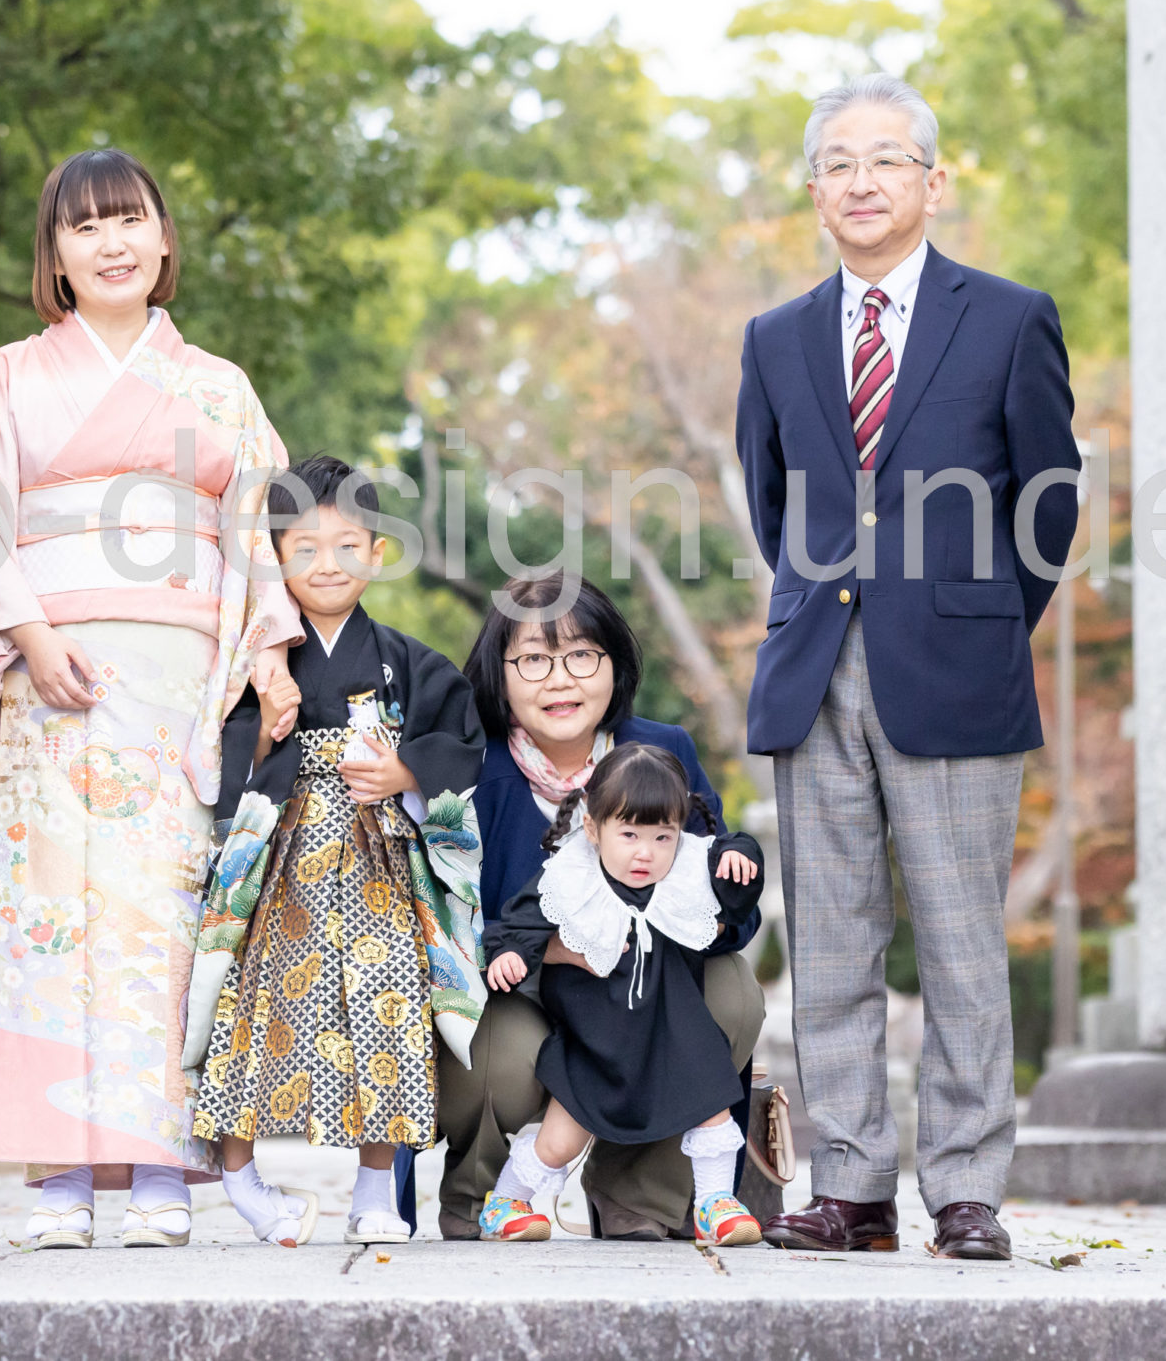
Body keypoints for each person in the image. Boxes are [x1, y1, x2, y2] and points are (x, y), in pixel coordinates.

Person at [735, 73, 1078, 1262]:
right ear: (814, 192)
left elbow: (1047, 504)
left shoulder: (1010, 318)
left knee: (961, 943)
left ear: (934, 183)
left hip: (958, 668)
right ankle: (849, 1188)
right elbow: (773, 504)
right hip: (814, 667)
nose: (861, 181)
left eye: (886, 159)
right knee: (829, 943)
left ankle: (967, 1190)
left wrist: (975, 619)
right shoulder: (775, 338)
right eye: (838, 163)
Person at [0, 148, 300, 1249]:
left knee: (163, 913)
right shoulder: (8, 375)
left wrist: (269, 656)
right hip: (50, 664)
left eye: (129, 219)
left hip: (177, 673)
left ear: (162, 239)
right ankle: (59, 1171)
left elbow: (258, 530)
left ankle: (158, 1164)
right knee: (49, 912)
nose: (110, 243)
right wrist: (28, 631)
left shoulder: (218, 385)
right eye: (84, 226)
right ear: (53, 254)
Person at [187, 455, 488, 1246]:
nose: (329, 564)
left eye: (348, 545)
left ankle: (374, 1189)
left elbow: (461, 735)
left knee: (388, 1003)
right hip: (282, 856)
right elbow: (224, 750)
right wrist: (265, 731)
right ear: (275, 557)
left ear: (378, 553)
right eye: (306, 547)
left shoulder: (405, 658)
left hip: (376, 856)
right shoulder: (264, 663)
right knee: (256, 1006)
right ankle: (241, 1177)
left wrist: (406, 770)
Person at [431, 573, 766, 1241]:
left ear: (615, 664)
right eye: (534, 659)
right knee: (500, 1052)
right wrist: (550, 951)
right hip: (520, 985)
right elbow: (442, 921)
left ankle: (639, 1194)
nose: (561, 679)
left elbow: (733, 908)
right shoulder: (469, 765)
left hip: (644, 981)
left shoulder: (663, 753)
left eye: (582, 655)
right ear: (500, 673)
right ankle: (485, 1197)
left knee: (729, 994)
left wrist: (707, 906)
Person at [475, 745, 766, 1246]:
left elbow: (732, 876)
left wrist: (740, 856)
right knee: (560, 1140)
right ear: (593, 828)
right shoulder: (572, 877)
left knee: (711, 1101)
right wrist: (511, 954)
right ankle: (505, 1203)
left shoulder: (687, 871)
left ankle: (715, 1203)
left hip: (674, 1032)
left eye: (662, 837)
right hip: (597, 1042)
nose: (645, 853)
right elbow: (519, 923)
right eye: (629, 835)